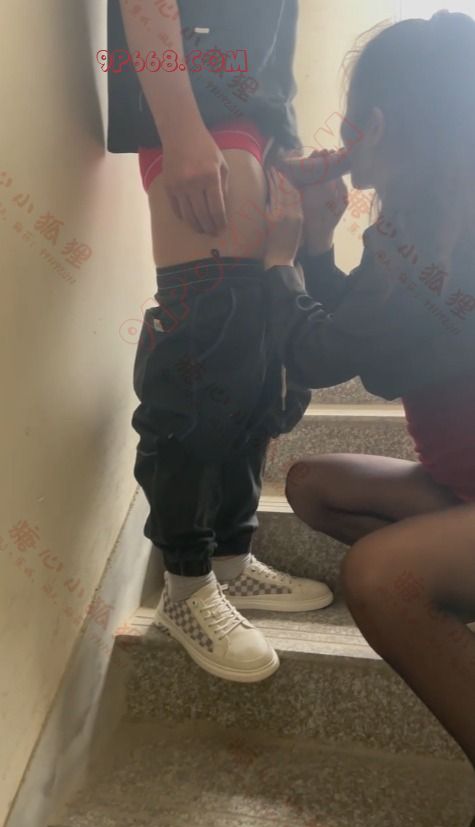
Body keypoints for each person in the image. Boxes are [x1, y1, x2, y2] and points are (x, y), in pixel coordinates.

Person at [262, 12, 475, 827]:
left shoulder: (447, 235)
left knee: (381, 577)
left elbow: (325, 353)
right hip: (461, 486)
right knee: (314, 486)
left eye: (350, 120)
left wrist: (278, 259)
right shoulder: (416, 227)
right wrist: (317, 242)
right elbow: (365, 336)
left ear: (375, 126)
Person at [106, 0, 334, 684]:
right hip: (201, 114)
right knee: (206, 354)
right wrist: (180, 129)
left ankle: (231, 558)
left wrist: (286, 144)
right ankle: (185, 583)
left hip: (255, 124)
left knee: (256, 357)